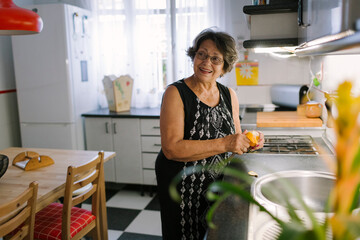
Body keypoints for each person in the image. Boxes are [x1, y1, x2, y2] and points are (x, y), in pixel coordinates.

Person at [155, 28, 264, 240]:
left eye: (215, 58)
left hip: (216, 187)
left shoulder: (228, 94)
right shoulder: (175, 93)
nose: (206, 63)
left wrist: (248, 142)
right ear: (194, 56)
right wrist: (226, 143)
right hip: (182, 189)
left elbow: (235, 139)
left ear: (224, 66)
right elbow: (171, 148)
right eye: (202, 54)